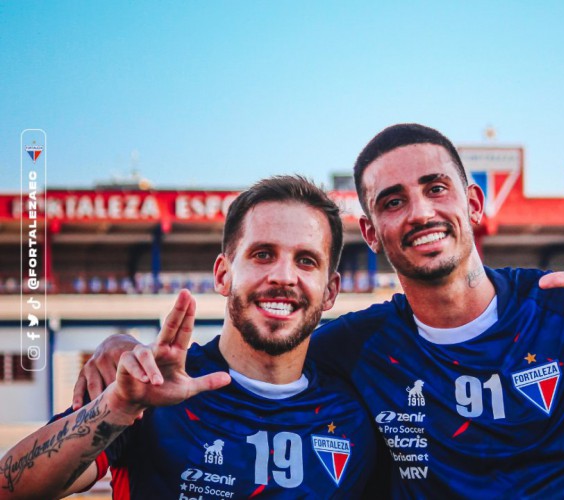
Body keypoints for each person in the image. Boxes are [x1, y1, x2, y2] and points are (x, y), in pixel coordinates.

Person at [72, 124, 564, 498]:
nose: (419, 211)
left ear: (474, 204)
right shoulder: (354, 347)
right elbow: (249, 351)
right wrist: (117, 345)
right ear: (371, 233)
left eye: (435, 188)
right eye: (392, 201)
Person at [0, 176, 379, 499]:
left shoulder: (354, 416)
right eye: (263, 255)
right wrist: (117, 406)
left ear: (330, 291)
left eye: (306, 260)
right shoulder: (153, 391)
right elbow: (9, 485)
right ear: (222, 275)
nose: (283, 276)